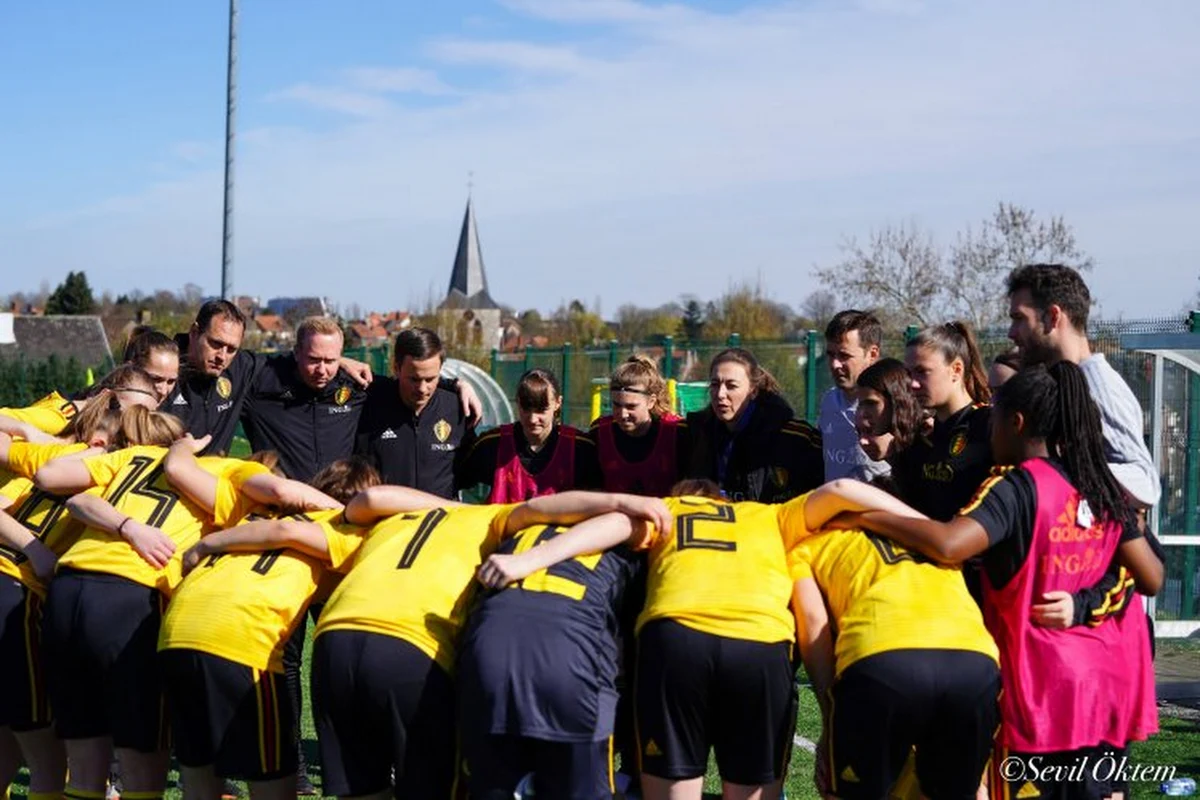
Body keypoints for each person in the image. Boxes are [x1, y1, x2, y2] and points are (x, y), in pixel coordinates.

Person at [185, 484, 668, 800]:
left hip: (335, 640)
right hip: (411, 645)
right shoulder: (491, 519)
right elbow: (544, 507)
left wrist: (208, 543)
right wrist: (621, 501)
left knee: (361, 788)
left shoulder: (384, 525)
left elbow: (365, 499)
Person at [845, 362, 1161, 800]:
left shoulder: (1016, 486)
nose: (986, 429)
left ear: (1015, 423)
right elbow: (1151, 574)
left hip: (1042, 685)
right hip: (1104, 681)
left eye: (992, 418)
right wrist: (1086, 601)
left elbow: (951, 544)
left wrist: (868, 513)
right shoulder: (1098, 482)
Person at [31, 410, 232, 800]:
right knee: (142, 761)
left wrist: (125, 522)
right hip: (131, 598)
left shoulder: (129, 458)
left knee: (85, 764)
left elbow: (69, 492)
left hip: (67, 590)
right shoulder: (223, 473)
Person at [158, 452, 379, 800]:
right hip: (239, 638)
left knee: (200, 780)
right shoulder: (347, 530)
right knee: (274, 781)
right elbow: (289, 533)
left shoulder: (252, 510)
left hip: (177, 630)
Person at [789, 503, 1000, 799]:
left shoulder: (808, 546)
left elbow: (814, 625)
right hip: (975, 661)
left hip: (882, 656)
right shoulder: (933, 542)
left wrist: (830, 715)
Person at [456, 493, 653, 800]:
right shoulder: (627, 529)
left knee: (497, 785)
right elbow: (624, 522)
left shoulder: (514, 525)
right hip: (567, 651)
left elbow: (536, 508)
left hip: (490, 646)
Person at [0, 403, 127, 800]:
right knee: (50, 759)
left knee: (10, 733)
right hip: (16, 598)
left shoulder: (57, 463)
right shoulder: (95, 471)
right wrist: (36, 549)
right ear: (103, 443)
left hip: (16, 596)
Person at [166, 301, 375, 456]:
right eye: (215, 343)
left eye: (231, 349)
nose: (222, 356)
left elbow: (287, 359)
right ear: (194, 333)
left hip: (208, 494)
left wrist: (339, 361)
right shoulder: (162, 371)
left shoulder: (240, 368)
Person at [684, 348, 823, 503]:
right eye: (715, 384)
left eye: (731, 386)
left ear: (753, 390)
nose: (720, 394)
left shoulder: (794, 438)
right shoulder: (696, 432)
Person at [355, 327, 477, 498]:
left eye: (430, 379)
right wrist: (344, 362)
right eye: (414, 379)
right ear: (396, 368)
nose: (422, 388)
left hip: (441, 520)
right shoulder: (369, 402)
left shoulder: (457, 408)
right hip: (385, 521)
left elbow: (470, 472)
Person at [890, 322, 993, 521]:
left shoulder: (988, 426)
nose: (912, 383)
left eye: (922, 371)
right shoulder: (922, 438)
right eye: (909, 374)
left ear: (956, 369)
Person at [458, 368, 600, 501]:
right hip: (504, 527)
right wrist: (456, 385)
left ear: (558, 403)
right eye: (526, 409)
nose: (532, 419)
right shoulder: (491, 444)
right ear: (518, 403)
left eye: (541, 410)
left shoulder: (580, 448)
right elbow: (452, 480)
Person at [583, 355, 685, 497]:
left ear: (651, 402)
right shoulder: (599, 433)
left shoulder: (677, 432)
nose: (623, 414)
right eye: (616, 405)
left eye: (631, 406)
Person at [819, 310, 890, 481]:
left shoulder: (892, 405)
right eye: (830, 355)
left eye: (844, 356)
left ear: (872, 354)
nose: (835, 364)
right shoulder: (829, 401)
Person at [0, 364, 160, 440]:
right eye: (133, 415)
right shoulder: (60, 418)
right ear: (108, 399)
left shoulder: (84, 423)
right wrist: (28, 432)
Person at [853, 358, 925, 469]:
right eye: (860, 404)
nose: (863, 413)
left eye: (871, 403)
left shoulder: (929, 448)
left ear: (897, 401)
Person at [124, 328, 181, 405]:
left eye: (171, 382)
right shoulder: (110, 411)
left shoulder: (178, 412)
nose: (163, 391)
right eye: (156, 379)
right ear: (130, 370)